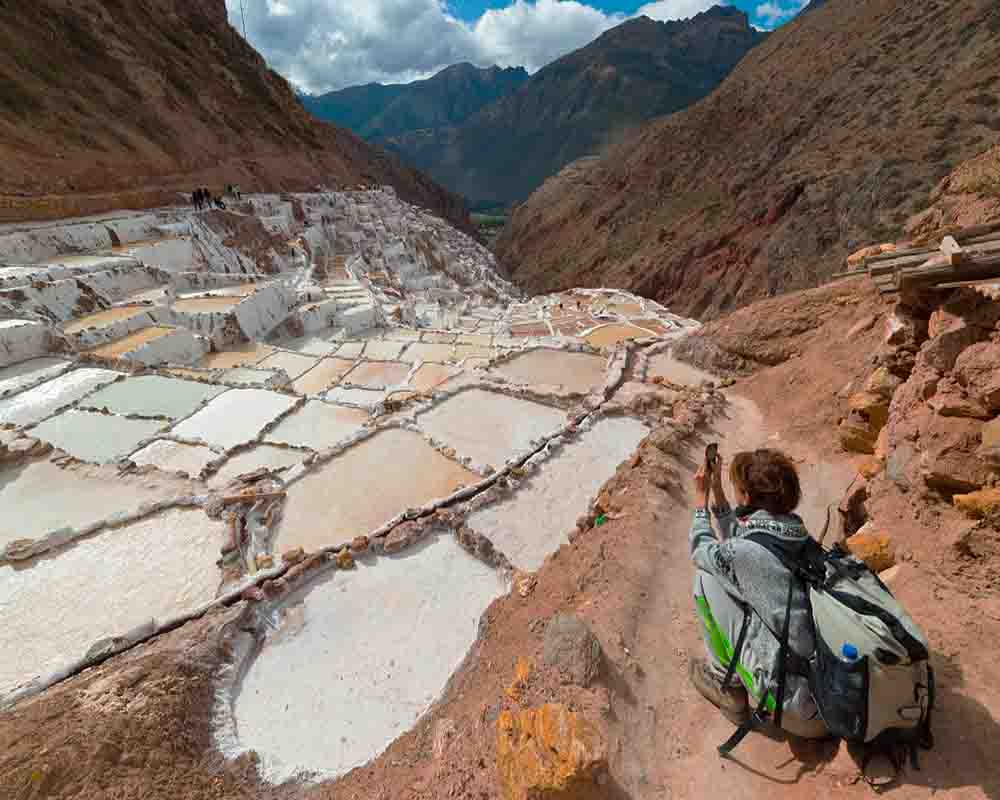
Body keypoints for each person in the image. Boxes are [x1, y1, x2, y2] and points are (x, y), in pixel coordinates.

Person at [689, 448, 827, 740]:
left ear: (748, 498)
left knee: (705, 579)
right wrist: (717, 492)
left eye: (738, 489)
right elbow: (743, 539)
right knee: (727, 575)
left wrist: (700, 505)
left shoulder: (747, 552)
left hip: (797, 709)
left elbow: (703, 552)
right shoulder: (793, 529)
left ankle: (726, 686)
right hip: (825, 694)